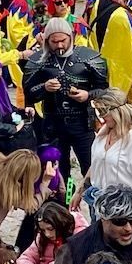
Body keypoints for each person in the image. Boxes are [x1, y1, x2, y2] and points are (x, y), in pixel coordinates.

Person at [22, 18, 109, 183]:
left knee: (92, 171)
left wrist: (87, 95)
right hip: (52, 125)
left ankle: (94, 206)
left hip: (82, 123)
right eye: (54, 42)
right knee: (57, 175)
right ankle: (62, 207)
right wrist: (44, 88)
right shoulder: (38, 61)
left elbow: (104, 90)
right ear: (47, 40)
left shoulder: (89, 58)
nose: (59, 46)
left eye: (63, 41)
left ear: (71, 36)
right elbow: (29, 94)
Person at [76, 94, 132, 224]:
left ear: (116, 112)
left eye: (104, 112)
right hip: (99, 204)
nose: (101, 117)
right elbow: (97, 164)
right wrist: (79, 191)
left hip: (124, 207)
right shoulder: (102, 135)